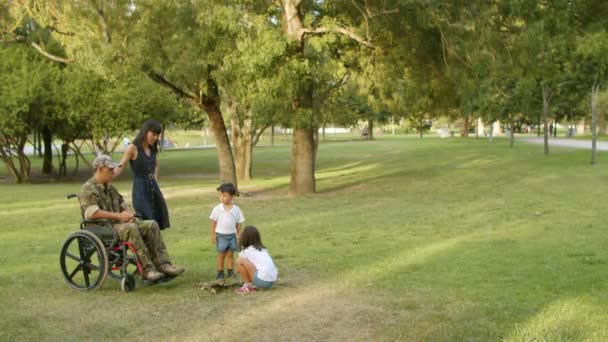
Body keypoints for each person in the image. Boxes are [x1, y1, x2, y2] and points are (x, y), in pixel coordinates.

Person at [79, 154, 185, 281]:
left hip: (117, 225)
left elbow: (123, 204)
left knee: (152, 225)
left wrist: (129, 214)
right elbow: (92, 213)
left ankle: (163, 265)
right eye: (110, 170)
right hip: (100, 228)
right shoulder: (87, 189)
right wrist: (119, 216)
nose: (113, 172)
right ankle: (146, 270)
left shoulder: (110, 188)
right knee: (131, 228)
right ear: (99, 169)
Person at [114, 119, 170, 230]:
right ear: (145, 132)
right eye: (153, 134)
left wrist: (155, 180)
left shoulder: (153, 148)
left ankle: (155, 247)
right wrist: (107, 175)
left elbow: (156, 166)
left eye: (157, 135)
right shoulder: (132, 148)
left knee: (157, 222)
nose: (155, 138)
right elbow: (120, 166)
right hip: (141, 190)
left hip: (154, 188)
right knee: (147, 222)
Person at [209, 183, 245, 283]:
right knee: (221, 255)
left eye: (224, 195)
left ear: (232, 196)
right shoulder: (217, 209)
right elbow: (213, 223)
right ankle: (220, 273)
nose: (221, 197)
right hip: (221, 236)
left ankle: (230, 271)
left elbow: (238, 223)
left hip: (232, 235)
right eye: (220, 195)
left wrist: (238, 234)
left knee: (230, 254)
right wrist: (213, 235)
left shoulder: (236, 210)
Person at [235, 226, 278, 293]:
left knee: (239, 261)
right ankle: (254, 284)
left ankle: (248, 286)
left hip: (262, 281)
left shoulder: (246, 251)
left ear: (244, 238)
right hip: (272, 281)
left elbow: (239, 268)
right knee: (250, 264)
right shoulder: (263, 250)